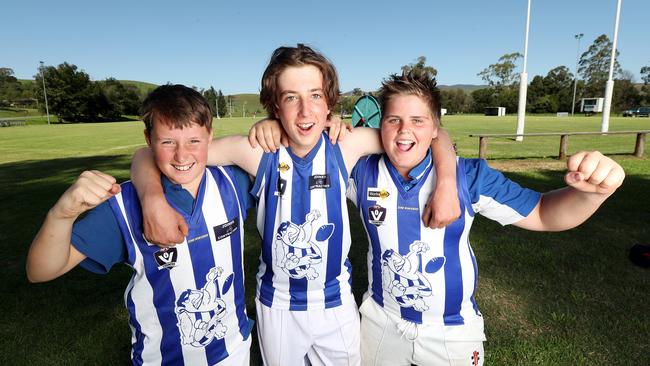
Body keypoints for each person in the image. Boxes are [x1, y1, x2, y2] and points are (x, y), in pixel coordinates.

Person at [131, 44, 460, 366]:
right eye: (291, 98)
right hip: (278, 306)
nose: (305, 111)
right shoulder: (256, 151)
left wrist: (446, 182)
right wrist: (151, 197)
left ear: (329, 101)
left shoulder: (345, 144)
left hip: (336, 303)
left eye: (315, 95)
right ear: (275, 105)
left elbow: (432, 133)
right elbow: (157, 152)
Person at [345, 70, 625, 365]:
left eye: (418, 120)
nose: (404, 131)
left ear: (435, 127)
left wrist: (592, 194)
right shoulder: (361, 173)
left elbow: (543, 213)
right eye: (394, 120)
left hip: (451, 330)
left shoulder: (469, 176)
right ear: (380, 125)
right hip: (380, 322)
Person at [26, 84, 255, 365]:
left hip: (235, 349)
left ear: (210, 136)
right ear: (148, 139)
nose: (182, 156)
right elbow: (40, 270)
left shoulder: (234, 181)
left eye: (193, 141)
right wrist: (61, 214)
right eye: (167, 142)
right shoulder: (124, 205)